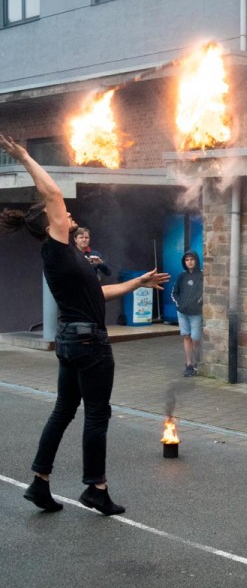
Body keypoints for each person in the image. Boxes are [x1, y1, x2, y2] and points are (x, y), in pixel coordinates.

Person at [0, 134, 169, 516]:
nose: (71, 219)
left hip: (74, 343)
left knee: (64, 410)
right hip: (89, 347)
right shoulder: (56, 248)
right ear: (52, 226)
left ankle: (39, 483)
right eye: (63, 218)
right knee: (96, 415)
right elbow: (54, 195)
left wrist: (137, 283)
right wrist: (25, 155)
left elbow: (100, 294)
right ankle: (96, 487)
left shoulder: (73, 260)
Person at [172, 250, 203, 377]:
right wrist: (179, 304)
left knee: (196, 339)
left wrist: (198, 303)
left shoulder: (202, 275)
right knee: (186, 336)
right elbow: (174, 292)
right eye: (187, 260)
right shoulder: (181, 276)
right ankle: (189, 364)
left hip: (196, 312)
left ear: (196, 260)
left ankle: (197, 363)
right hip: (182, 312)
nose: (189, 262)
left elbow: (205, 293)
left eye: (192, 259)